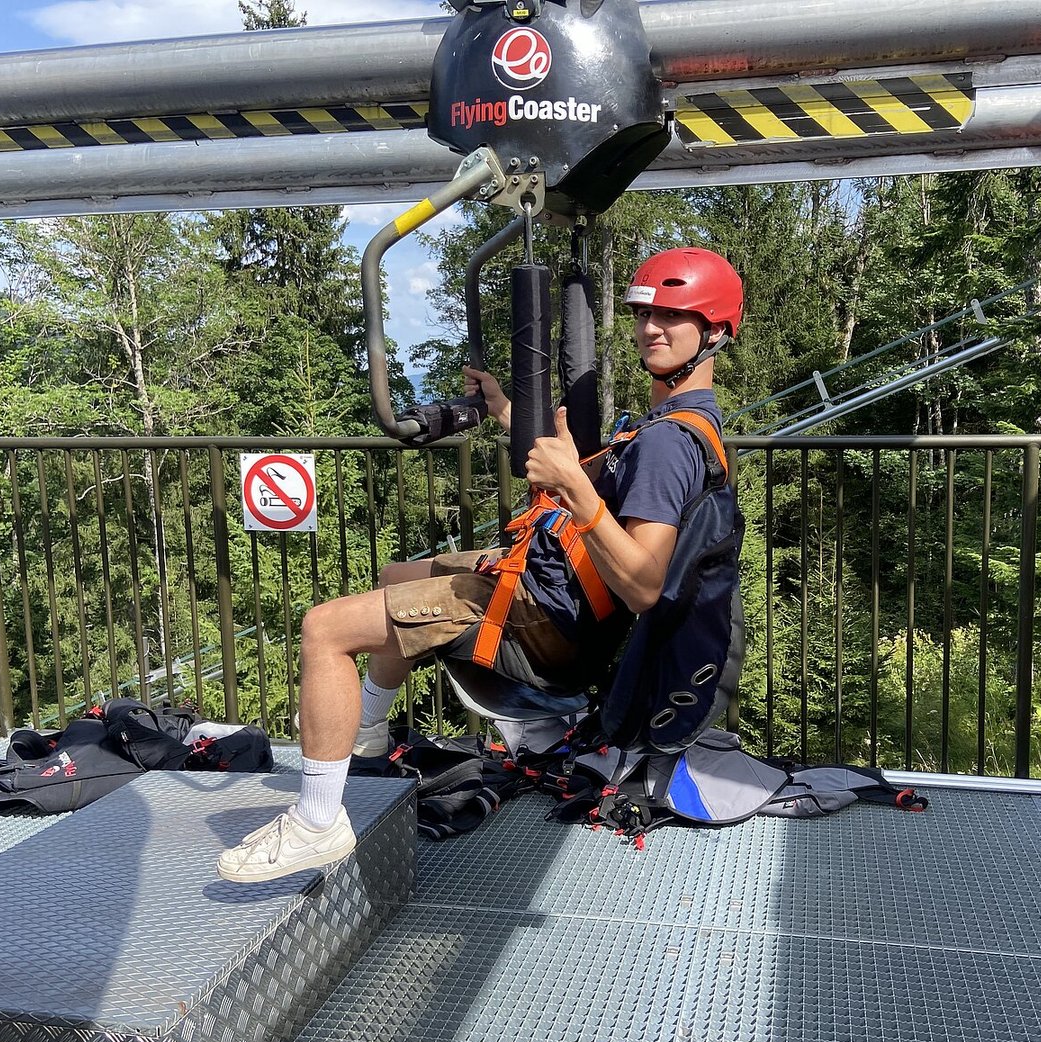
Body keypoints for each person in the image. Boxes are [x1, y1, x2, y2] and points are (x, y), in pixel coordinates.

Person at [216, 246, 744, 882]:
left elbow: (643, 586)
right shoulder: (681, 423)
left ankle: (317, 821)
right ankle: (368, 732)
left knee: (323, 629)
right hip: (549, 587)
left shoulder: (666, 444)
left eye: (673, 316)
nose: (651, 328)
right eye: (644, 314)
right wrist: (503, 408)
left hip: (540, 621)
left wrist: (574, 488)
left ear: (715, 331)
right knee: (396, 578)